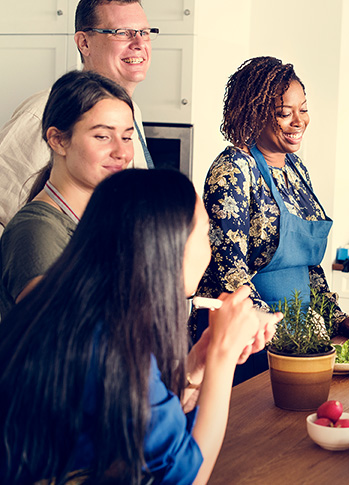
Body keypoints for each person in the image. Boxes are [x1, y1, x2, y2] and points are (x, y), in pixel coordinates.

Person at [0, 168, 280, 484]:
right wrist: (223, 356)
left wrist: (197, 366)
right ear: (169, 246)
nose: (210, 249)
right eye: (204, 234)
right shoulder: (109, 340)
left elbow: (145, 425)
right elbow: (185, 477)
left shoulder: (80, 308)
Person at [189, 56, 349, 382]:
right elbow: (230, 271)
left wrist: (335, 316)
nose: (298, 121)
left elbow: (308, 266)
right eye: (284, 113)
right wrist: (273, 328)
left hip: (297, 335)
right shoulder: (232, 169)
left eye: (303, 109)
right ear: (254, 113)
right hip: (248, 336)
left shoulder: (296, 169)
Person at [0, 0, 156, 232]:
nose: (139, 43)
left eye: (144, 32)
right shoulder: (44, 111)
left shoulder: (132, 111)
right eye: (122, 33)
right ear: (84, 43)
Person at [0, 69, 135, 319]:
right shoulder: (37, 231)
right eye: (103, 136)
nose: (121, 152)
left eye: (127, 137)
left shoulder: (101, 220)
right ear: (58, 140)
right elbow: (63, 338)